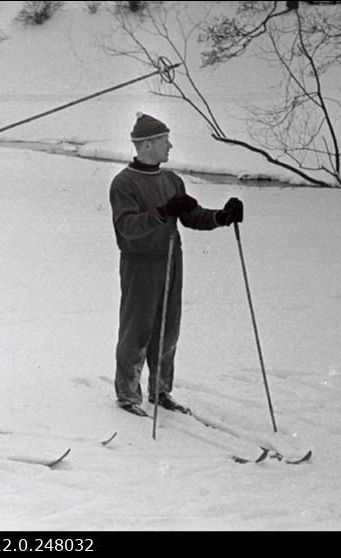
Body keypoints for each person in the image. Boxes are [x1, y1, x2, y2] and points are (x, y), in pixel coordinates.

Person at [110, 112, 244, 417]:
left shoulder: (172, 180)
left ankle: (160, 390)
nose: (170, 146)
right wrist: (160, 213)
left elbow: (190, 215)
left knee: (168, 328)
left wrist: (221, 216)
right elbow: (126, 227)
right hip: (140, 263)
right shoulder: (124, 183)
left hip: (171, 259)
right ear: (145, 146)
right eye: (163, 141)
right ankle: (128, 394)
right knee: (137, 327)